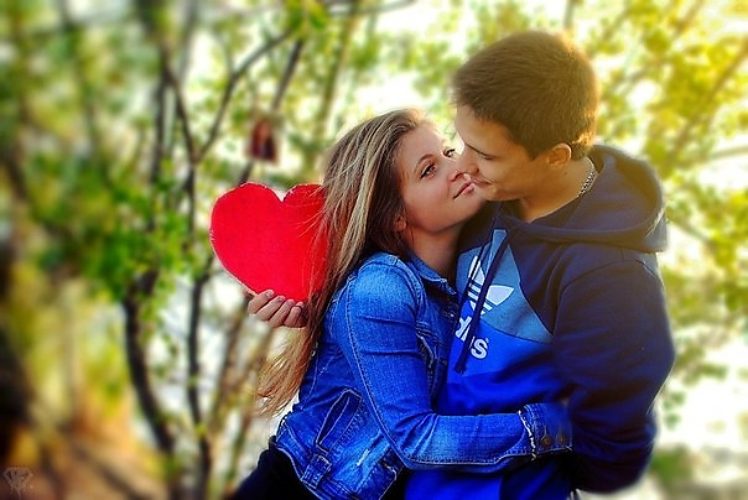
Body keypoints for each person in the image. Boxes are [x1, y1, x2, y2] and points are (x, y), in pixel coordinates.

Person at [251, 31, 676, 499]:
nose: (464, 167)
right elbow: (414, 432)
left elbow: (609, 436)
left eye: (462, 153)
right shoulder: (399, 273)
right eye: (441, 160)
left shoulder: (591, 269)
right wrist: (318, 303)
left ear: (554, 158)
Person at [234, 109, 572, 500]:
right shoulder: (381, 288)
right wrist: (555, 425)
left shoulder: (461, 285)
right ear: (395, 215)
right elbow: (416, 439)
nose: (457, 168)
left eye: (447, 152)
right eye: (429, 170)